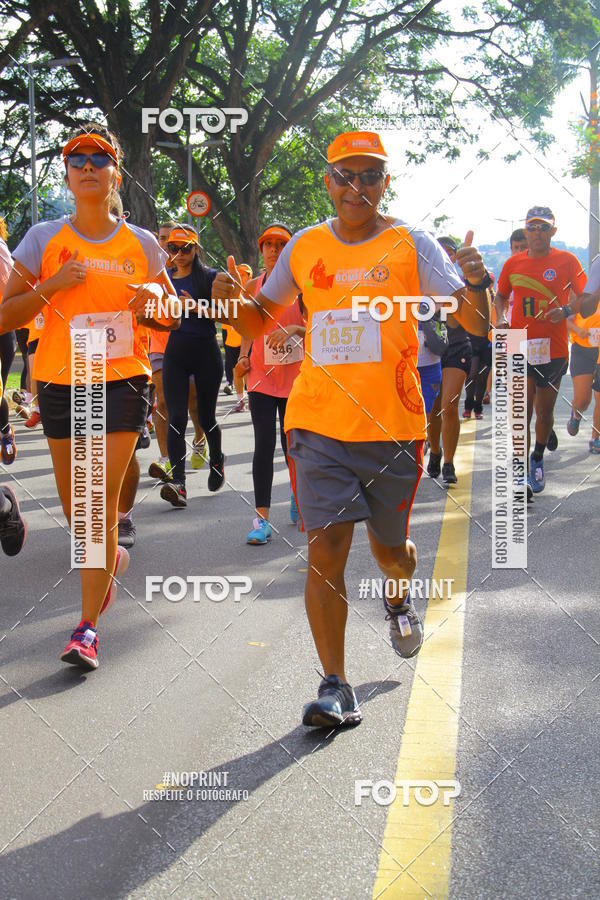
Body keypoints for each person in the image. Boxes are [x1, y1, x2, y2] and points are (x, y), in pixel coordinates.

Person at [213, 130, 490, 728]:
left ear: (386, 181)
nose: (356, 186)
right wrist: (233, 302)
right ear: (328, 180)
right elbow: (256, 322)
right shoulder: (306, 246)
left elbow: (472, 321)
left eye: (369, 175)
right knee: (326, 551)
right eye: (345, 174)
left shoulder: (412, 243)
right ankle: (334, 684)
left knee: (393, 553)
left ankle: (397, 593)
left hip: (392, 426)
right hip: (316, 423)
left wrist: (475, 284)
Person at [0, 124, 179, 669]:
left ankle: (86, 629)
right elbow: (6, 315)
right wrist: (52, 286)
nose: (86, 166)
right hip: (62, 378)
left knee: (95, 499)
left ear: (114, 174)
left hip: (121, 377)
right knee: (81, 513)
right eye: (76, 158)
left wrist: (154, 295)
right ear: (67, 173)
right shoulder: (43, 239)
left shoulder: (141, 244)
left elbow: (170, 316)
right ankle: (107, 561)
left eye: (98, 158)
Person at [494, 206, 587, 497]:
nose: (536, 233)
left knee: (544, 411)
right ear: (525, 230)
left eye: (543, 228)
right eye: (532, 228)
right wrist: (501, 318)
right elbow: (500, 295)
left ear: (553, 232)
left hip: (554, 347)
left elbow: (586, 297)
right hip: (519, 342)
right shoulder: (513, 263)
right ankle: (521, 469)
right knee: (521, 409)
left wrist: (568, 310)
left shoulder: (567, 260)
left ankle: (537, 458)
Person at [235, 226, 305, 543]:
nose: (274, 250)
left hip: (296, 378)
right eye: (269, 245)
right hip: (261, 378)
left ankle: (296, 492)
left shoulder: (302, 287)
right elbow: (248, 327)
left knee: (293, 445)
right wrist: (244, 356)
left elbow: (318, 323)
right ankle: (261, 520)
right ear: (261, 250)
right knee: (263, 445)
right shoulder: (253, 286)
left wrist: (294, 328)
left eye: (281, 245)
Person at [160, 225, 224, 508]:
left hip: (206, 351)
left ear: (196, 249)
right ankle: (179, 484)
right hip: (175, 353)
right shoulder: (164, 280)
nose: (180, 254)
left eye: (186, 248)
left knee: (206, 416)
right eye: (174, 248)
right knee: (176, 417)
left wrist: (196, 307)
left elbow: (226, 314)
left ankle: (218, 460)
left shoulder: (209, 277)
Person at [427, 235, 474, 485]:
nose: (444, 257)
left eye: (449, 253)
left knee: (450, 405)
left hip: (456, 347)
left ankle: (448, 462)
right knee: (433, 410)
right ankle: (435, 452)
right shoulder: (421, 280)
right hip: (430, 350)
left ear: (454, 257)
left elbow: (457, 321)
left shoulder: (461, 283)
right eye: (440, 252)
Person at [483, 228, 528, 405]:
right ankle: (492, 393)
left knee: (534, 388)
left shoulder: (538, 271)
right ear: (510, 249)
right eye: (516, 247)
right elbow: (499, 301)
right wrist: (498, 324)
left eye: (523, 247)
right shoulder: (509, 270)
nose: (519, 251)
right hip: (511, 333)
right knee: (508, 375)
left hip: (535, 335)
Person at [223, 262, 251, 411]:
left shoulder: (253, 291)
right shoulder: (229, 293)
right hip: (232, 338)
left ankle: (251, 397)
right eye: (238, 273)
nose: (241, 276)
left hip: (248, 336)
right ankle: (241, 400)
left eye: (244, 274)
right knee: (236, 370)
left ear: (249, 276)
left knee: (249, 369)